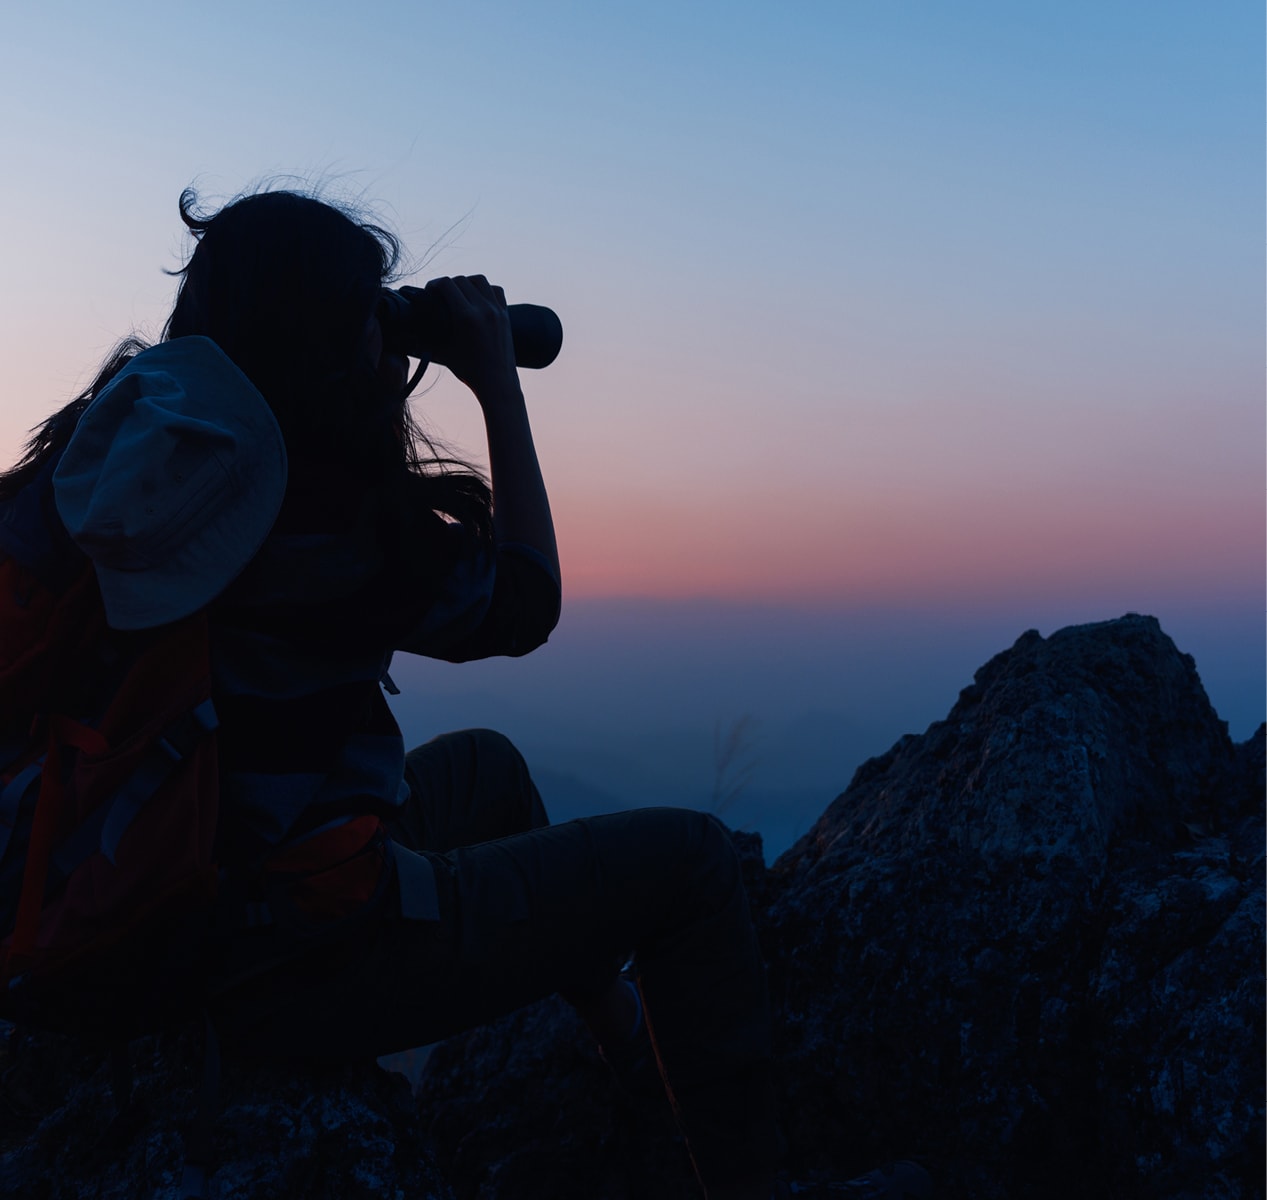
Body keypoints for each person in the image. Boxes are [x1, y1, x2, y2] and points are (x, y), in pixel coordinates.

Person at [0, 188, 930, 1200]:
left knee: (488, 768)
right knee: (695, 866)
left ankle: (632, 1065)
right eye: (369, 313)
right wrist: (494, 381)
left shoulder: (100, 468)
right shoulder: (327, 519)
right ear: (332, 343)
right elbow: (523, 602)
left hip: (144, 896)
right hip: (288, 958)